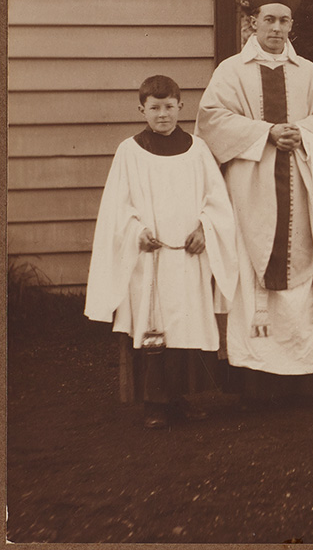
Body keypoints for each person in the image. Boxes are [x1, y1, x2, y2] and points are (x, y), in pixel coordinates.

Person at [196, 0, 313, 409]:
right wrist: (265, 133)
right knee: (252, 273)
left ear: (291, 26)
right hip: (251, 194)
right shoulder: (231, 71)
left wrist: (300, 131)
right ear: (252, 23)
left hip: (300, 190)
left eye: (284, 21)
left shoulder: (308, 73)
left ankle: (301, 379)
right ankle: (255, 382)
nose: (277, 28)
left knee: (302, 281)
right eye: (269, 19)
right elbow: (210, 120)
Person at [85, 75, 239, 428]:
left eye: (169, 107)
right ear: (142, 109)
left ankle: (181, 398)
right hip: (149, 258)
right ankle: (155, 403)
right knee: (153, 327)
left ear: (180, 106)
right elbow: (116, 207)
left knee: (185, 327)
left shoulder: (198, 150)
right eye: (154, 108)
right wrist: (136, 231)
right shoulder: (130, 151)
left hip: (187, 256)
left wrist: (205, 228)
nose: (163, 115)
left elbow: (217, 201)